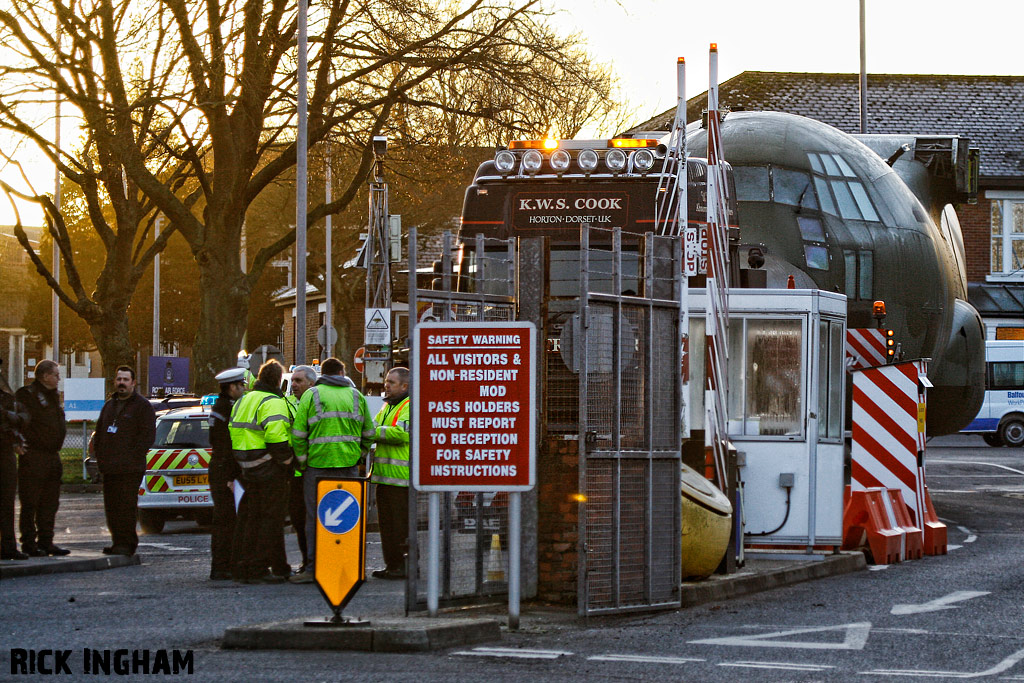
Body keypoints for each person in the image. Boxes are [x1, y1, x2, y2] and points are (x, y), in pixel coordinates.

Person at [288, 357, 375, 584]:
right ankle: (349, 567)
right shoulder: (357, 396)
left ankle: (313, 567)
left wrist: (304, 461)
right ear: (342, 372)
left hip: (317, 467)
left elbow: (297, 435)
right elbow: (369, 433)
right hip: (348, 467)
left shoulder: (312, 395)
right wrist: (360, 455)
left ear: (322, 374)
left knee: (316, 518)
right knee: (349, 519)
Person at [228, 359, 294, 584]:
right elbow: (276, 439)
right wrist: (287, 461)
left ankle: (246, 565)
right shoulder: (272, 401)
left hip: (247, 468)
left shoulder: (244, 400)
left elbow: (233, 432)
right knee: (270, 520)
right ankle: (259, 566)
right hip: (268, 468)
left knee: (251, 519)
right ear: (277, 380)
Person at [92, 366, 156, 556]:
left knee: (126, 506)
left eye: (125, 379)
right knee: (112, 507)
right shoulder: (109, 405)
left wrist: (132, 456)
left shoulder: (142, 406)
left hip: (129, 468)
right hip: (110, 468)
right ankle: (116, 541)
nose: (121, 383)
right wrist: (101, 457)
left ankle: (127, 543)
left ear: (133, 383)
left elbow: (146, 436)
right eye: (119, 379)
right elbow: (100, 432)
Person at [15, 360, 69, 557]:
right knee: (31, 502)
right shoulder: (27, 395)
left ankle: (47, 541)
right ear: (45, 376)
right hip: (34, 456)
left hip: (52, 456)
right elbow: (19, 422)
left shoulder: (52, 396)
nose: (58, 378)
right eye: (56, 375)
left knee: (50, 502)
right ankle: (29, 543)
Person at [370, 367, 411, 580]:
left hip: (401, 480)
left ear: (405, 386)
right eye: (386, 381)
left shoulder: (409, 405)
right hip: (384, 478)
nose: (386, 385)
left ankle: (404, 566)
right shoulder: (387, 406)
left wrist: (371, 432)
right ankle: (392, 565)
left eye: (391, 382)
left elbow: (401, 434)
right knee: (387, 527)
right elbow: (374, 426)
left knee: (401, 527)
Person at [207, 367, 246, 580]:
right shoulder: (229, 409)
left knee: (222, 520)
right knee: (227, 521)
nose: (243, 389)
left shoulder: (218, 407)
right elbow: (226, 445)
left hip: (218, 468)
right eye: (241, 386)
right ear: (232, 387)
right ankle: (224, 566)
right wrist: (231, 477)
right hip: (225, 471)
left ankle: (221, 565)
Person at [285, 365, 317, 575]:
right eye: (293, 381)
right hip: (294, 475)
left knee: (313, 520)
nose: (294, 385)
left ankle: (314, 562)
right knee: (298, 520)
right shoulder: (286, 404)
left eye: (299, 381)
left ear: (311, 384)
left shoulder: (318, 403)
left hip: (312, 470)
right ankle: (306, 560)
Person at [1, 362, 30, 560]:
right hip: (5, 448)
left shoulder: (5, 392)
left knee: (7, 501)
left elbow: (21, 416)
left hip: (5, 450)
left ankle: (9, 546)